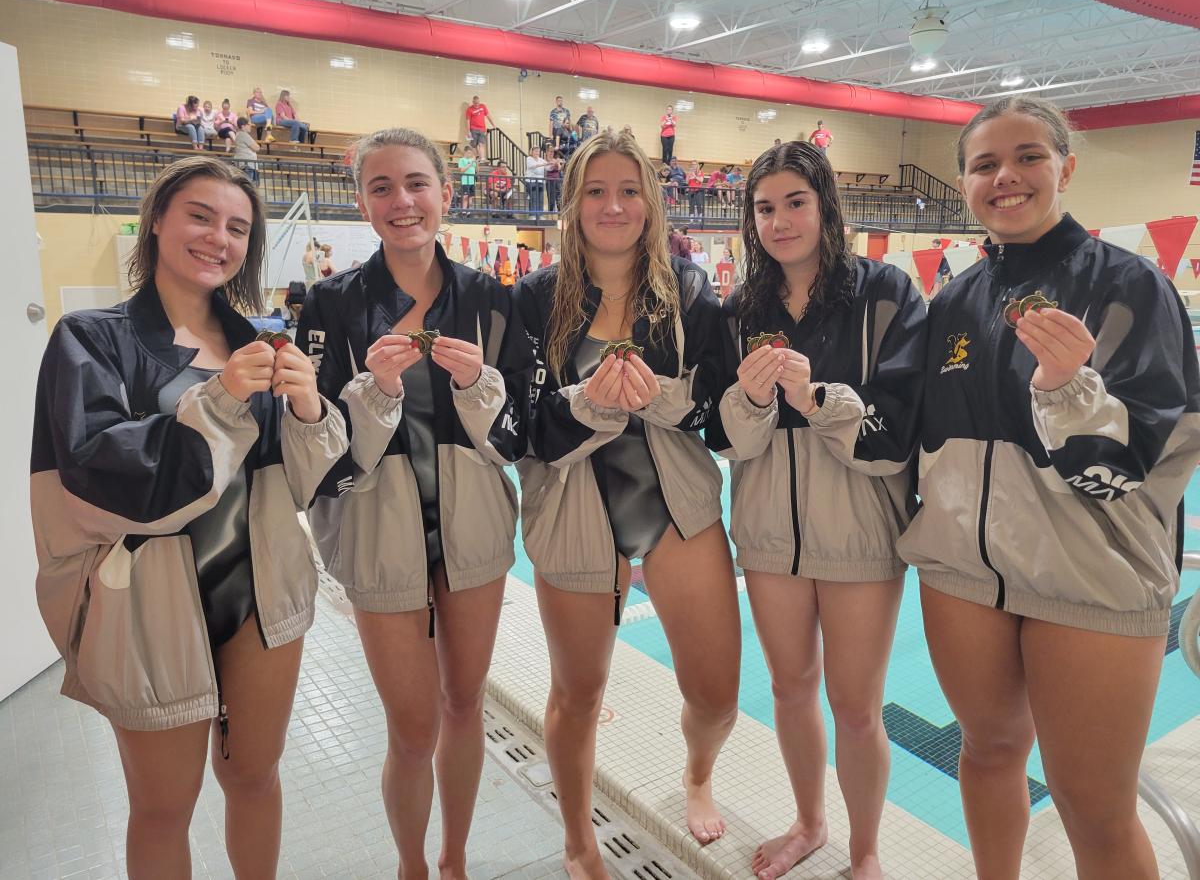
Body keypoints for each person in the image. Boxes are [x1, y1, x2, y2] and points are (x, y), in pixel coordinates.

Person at [897, 96, 1200, 880]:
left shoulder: (1131, 286)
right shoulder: (954, 301)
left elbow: (1138, 465)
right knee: (989, 751)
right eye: (984, 163)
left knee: (1094, 809)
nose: (1006, 176)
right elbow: (917, 438)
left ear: (1066, 167)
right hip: (965, 575)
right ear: (963, 182)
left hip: (1092, 574)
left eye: (1028, 156)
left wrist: (1069, 388)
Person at [30, 156, 347, 880]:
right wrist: (221, 399)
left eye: (237, 227)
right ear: (157, 220)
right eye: (200, 216)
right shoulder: (90, 339)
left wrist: (308, 410)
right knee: (163, 808)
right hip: (150, 603)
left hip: (260, 591)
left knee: (255, 779)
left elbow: (301, 485)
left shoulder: (261, 342)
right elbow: (102, 473)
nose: (218, 238)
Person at [298, 127, 531, 880]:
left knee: (464, 708)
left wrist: (477, 391)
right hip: (377, 528)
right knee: (411, 726)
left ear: (446, 192)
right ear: (363, 202)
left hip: (474, 529)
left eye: (417, 183)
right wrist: (378, 392)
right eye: (382, 187)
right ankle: (411, 866)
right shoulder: (331, 304)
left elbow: (520, 432)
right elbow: (313, 455)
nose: (402, 202)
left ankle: (455, 860)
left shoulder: (491, 298)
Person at [513, 129, 741, 878]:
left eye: (628, 190)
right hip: (576, 508)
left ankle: (698, 772)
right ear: (572, 203)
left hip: (674, 500)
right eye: (596, 191)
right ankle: (579, 841)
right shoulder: (536, 299)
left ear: (652, 200)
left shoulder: (687, 288)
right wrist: (587, 403)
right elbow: (524, 431)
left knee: (716, 693)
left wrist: (664, 398)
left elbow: (716, 404)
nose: (613, 206)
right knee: (577, 693)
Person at [708, 141, 926, 880]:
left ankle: (864, 852)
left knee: (857, 706)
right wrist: (754, 398)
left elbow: (899, 435)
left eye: (795, 202)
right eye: (764, 208)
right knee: (790, 687)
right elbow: (725, 440)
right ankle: (809, 822)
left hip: (862, 531)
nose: (779, 221)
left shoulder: (887, 293)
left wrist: (817, 400)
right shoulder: (740, 310)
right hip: (770, 532)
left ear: (826, 206)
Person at [465, 95, 493, 159]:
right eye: (475, 103)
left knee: (481, 144)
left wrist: (493, 125)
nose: (477, 105)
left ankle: (482, 159)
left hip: (482, 129)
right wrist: (468, 131)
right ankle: (477, 157)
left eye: (478, 103)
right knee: (473, 145)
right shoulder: (469, 109)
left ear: (479, 102)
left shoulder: (483, 106)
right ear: (473, 102)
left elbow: (488, 116)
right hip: (473, 129)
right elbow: (468, 121)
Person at [233, 117, 260, 182]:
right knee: (249, 186)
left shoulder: (239, 134)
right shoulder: (243, 134)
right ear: (243, 126)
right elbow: (257, 148)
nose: (250, 126)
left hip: (246, 165)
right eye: (249, 124)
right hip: (247, 165)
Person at [526, 145, 551, 212]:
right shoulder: (529, 159)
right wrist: (544, 164)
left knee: (541, 199)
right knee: (533, 198)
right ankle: (533, 215)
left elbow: (548, 168)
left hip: (540, 181)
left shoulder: (541, 160)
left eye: (538, 151)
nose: (537, 152)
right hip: (531, 181)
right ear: (532, 151)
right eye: (535, 151)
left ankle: (540, 214)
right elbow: (532, 166)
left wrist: (554, 164)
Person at [457, 144, 478, 213]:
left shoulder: (472, 160)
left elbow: (477, 171)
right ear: (465, 152)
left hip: (472, 181)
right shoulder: (462, 160)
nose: (470, 154)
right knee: (465, 196)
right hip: (465, 181)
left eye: (471, 153)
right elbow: (461, 170)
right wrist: (470, 164)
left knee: (470, 197)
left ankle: (469, 211)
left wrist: (476, 163)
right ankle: (463, 211)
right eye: (469, 152)